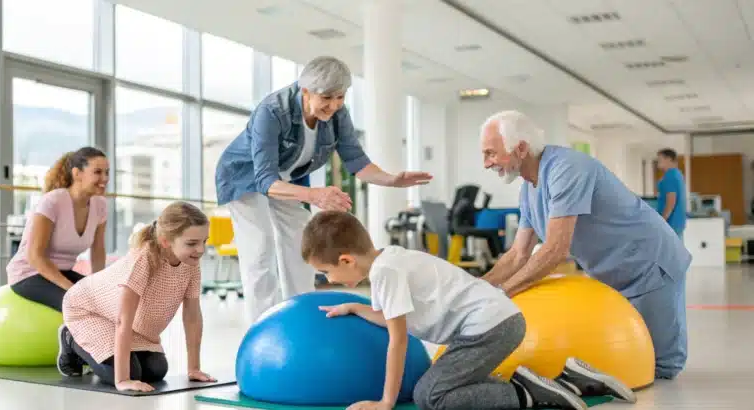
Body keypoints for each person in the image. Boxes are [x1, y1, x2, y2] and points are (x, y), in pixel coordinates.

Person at [300, 210, 636, 410]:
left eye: (327, 273)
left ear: (346, 260)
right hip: (493, 323)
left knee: (430, 396)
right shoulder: (391, 259)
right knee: (444, 384)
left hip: (488, 329)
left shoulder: (385, 274)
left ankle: (526, 393)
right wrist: (355, 309)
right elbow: (392, 318)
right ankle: (571, 380)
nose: (329, 280)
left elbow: (398, 339)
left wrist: (385, 402)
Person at [214, 55, 432, 323]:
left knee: (299, 242)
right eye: (327, 98)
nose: (335, 105)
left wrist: (392, 179)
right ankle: (263, 325)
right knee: (259, 249)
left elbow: (355, 160)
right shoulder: (271, 111)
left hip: (286, 178)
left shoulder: (337, 113)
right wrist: (315, 195)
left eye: (340, 97)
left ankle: (300, 315)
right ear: (305, 91)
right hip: (245, 177)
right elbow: (265, 180)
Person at [479, 110, 692, 380]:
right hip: (613, 274)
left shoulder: (566, 169)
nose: (486, 163)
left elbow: (555, 249)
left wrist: (502, 293)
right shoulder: (528, 189)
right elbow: (518, 254)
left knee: (659, 368)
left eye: (491, 153)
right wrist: (477, 289)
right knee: (624, 361)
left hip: (650, 264)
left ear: (520, 148)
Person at [0, 146, 110, 363]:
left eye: (107, 172)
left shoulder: (100, 205)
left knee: (103, 303)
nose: (105, 178)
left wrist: (98, 285)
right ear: (77, 173)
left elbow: (97, 251)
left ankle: (92, 356)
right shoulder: (53, 202)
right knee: (78, 304)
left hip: (61, 271)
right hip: (29, 273)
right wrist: (72, 290)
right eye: (98, 172)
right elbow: (35, 256)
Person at [57, 201, 215, 393]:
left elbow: (192, 316)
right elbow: (123, 319)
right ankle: (71, 339)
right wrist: (122, 379)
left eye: (204, 241)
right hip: (88, 310)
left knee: (156, 370)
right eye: (192, 243)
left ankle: (111, 360)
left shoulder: (190, 262)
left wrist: (194, 368)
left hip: (131, 325)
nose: (201, 250)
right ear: (166, 241)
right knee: (130, 372)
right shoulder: (144, 259)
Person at [656, 148, 687, 238]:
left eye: (660, 159)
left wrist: (662, 220)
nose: (658, 161)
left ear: (668, 159)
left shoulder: (670, 175)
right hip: (677, 223)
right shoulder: (678, 174)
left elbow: (671, 201)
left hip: (670, 223)